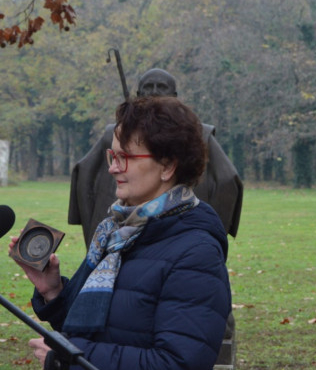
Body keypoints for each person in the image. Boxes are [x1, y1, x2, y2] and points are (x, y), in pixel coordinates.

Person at [12, 97, 233, 370]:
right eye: (111, 156)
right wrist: (54, 292)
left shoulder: (195, 251)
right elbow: (106, 328)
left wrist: (72, 358)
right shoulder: (116, 232)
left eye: (125, 157)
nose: (113, 168)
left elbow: (176, 367)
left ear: (167, 166)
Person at [69, 68, 243, 249]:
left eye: (161, 87)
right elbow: (84, 174)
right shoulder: (116, 134)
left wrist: (217, 227)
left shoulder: (200, 134)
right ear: (138, 95)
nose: (154, 92)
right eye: (149, 87)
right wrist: (89, 222)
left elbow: (227, 180)